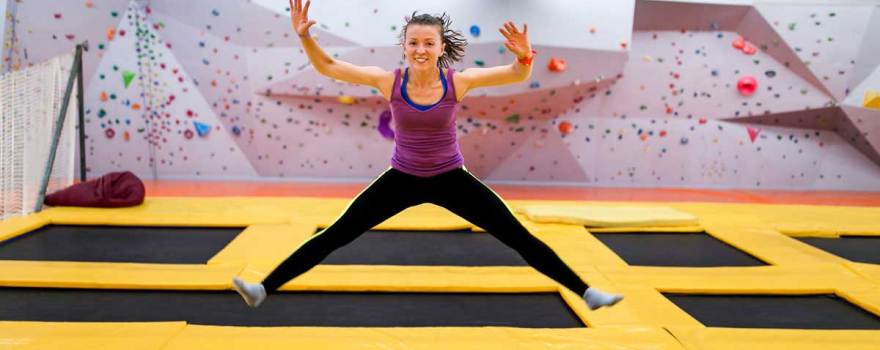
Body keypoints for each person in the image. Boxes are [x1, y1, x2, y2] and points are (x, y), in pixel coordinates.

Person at [233, 0, 623, 311]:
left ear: (440, 48)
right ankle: (263, 288)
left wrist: (524, 58)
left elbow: (514, 76)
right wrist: (305, 37)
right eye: (414, 43)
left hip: (451, 178)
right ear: (405, 46)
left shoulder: (459, 81)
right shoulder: (389, 80)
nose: (420, 49)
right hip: (401, 178)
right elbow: (330, 66)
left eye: (428, 43)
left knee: (517, 236)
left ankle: (587, 292)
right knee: (336, 234)